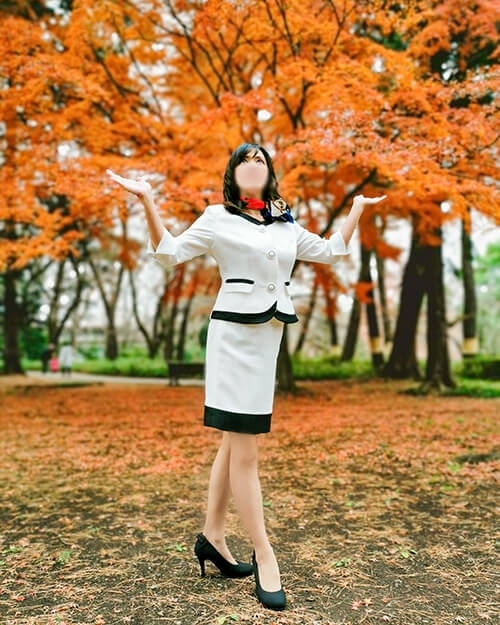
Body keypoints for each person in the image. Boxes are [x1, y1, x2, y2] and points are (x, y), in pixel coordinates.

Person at [106, 144, 385, 611]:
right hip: (232, 338)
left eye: (260, 160)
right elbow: (169, 253)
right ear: (232, 173)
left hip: (268, 336)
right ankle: (264, 551)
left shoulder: (285, 223)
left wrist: (356, 208)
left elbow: (332, 252)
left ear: (269, 173)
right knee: (246, 446)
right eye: (244, 160)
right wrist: (148, 200)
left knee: (232, 441)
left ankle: (212, 537)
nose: (253, 165)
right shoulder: (217, 218)